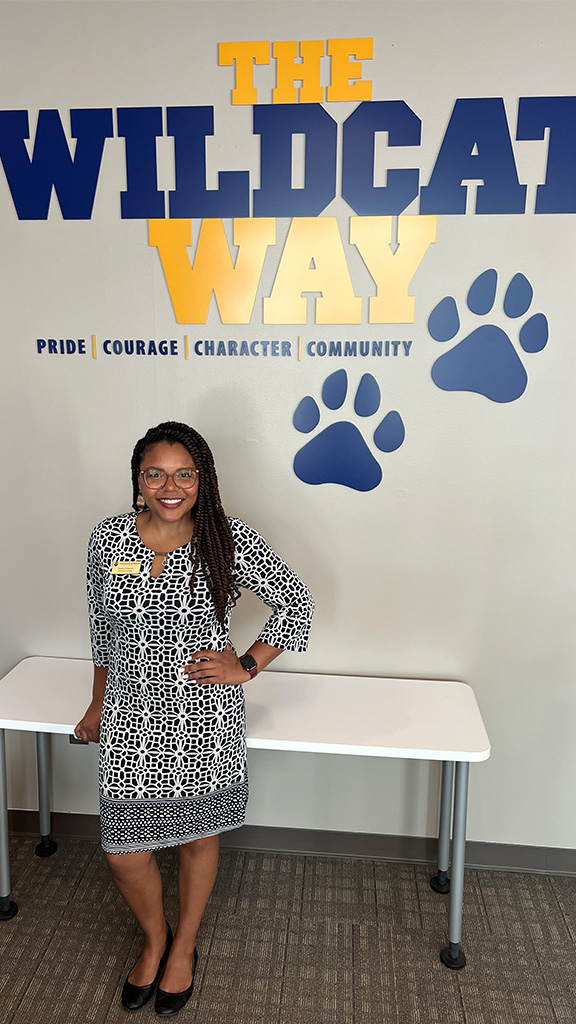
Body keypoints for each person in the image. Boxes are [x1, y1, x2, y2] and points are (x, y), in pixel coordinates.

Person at [75, 421, 314, 1017]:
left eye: (184, 473)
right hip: (130, 714)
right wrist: (98, 701)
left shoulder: (225, 541)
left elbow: (298, 607)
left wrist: (247, 666)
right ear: (137, 482)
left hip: (201, 717)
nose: (169, 485)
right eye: (155, 473)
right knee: (124, 851)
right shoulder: (108, 541)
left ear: (202, 480)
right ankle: (154, 938)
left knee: (195, 837)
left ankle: (184, 946)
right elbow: (102, 633)